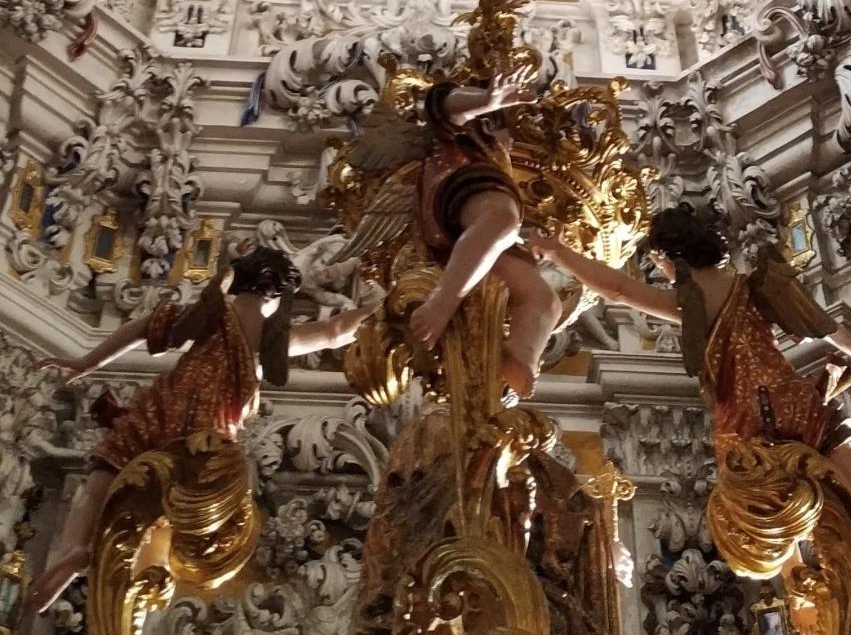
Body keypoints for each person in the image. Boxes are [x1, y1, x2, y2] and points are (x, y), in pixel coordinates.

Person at [532, 206, 851, 611]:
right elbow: (821, 323)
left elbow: (617, 288)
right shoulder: (753, 285)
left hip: (742, 418)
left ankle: (795, 572)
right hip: (790, 396)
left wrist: (555, 251)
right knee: (845, 462)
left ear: (672, 259)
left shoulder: (689, 303)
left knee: (767, 499)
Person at [28, 246, 373, 613]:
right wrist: (381, 311)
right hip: (206, 436)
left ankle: (76, 549)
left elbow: (144, 328)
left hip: (164, 408)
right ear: (277, 296)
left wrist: (87, 361)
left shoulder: (211, 313)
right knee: (175, 514)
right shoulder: (267, 337)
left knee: (103, 472)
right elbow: (335, 331)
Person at [406, 66, 561, 398]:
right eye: (509, 133)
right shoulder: (460, 137)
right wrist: (486, 100)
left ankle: (515, 364)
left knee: (544, 299)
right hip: (457, 191)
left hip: (482, 236)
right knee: (502, 220)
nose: (512, 143)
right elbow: (444, 104)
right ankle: (441, 303)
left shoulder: (497, 155)